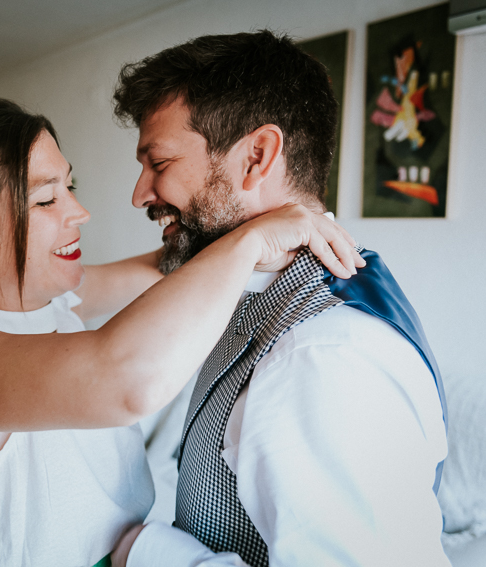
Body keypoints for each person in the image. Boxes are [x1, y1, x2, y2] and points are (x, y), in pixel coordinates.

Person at [0, 98, 363, 567]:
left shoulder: (54, 301)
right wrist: (257, 239)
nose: (78, 212)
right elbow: (125, 378)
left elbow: (176, 266)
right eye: (45, 200)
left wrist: (262, 214)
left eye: (70, 185)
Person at [109, 30, 449, 567]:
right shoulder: (276, 292)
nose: (140, 193)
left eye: (159, 163)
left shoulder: (321, 356)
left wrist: (147, 552)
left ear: (257, 157)